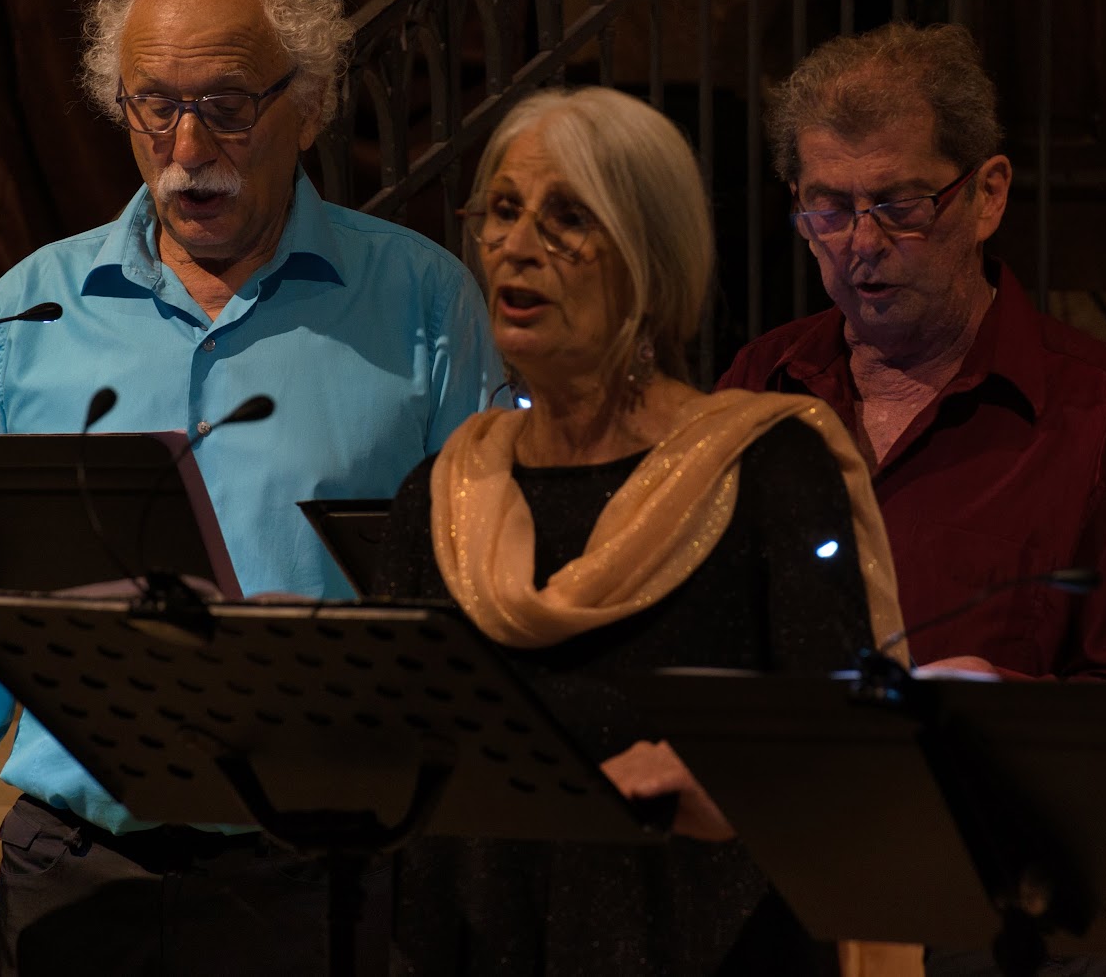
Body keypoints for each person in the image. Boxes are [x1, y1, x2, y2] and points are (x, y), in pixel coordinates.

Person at [0, 0, 502, 977]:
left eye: (226, 107)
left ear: (310, 104)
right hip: (71, 879)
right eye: (154, 107)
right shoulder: (28, 309)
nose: (188, 148)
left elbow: (486, 606)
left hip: (325, 883)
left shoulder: (423, 304)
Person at [374, 86, 917, 976]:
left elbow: (850, 751)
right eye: (502, 210)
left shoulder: (764, 472)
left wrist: (738, 782)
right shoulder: (442, 496)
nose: (517, 246)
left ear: (649, 255)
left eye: (566, 218)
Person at [718, 23, 1106, 685]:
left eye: (900, 206)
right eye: (828, 208)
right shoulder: (758, 383)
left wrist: (1000, 703)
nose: (863, 242)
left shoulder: (1104, 417)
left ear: (988, 195)